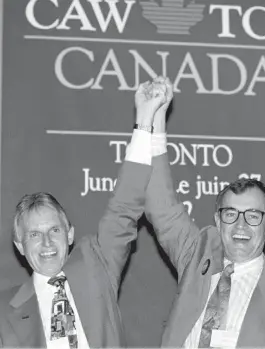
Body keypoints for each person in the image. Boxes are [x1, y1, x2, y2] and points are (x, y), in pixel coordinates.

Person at [144, 76, 265, 347]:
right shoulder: (196, 259)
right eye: (231, 214)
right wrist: (156, 118)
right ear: (218, 221)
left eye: (253, 216)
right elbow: (159, 204)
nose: (240, 226)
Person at [0, 81, 167, 348]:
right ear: (19, 245)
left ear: (70, 234)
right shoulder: (4, 311)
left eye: (54, 230)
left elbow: (123, 206)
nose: (46, 243)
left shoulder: (96, 266)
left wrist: (145, 120)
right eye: (34, 234)